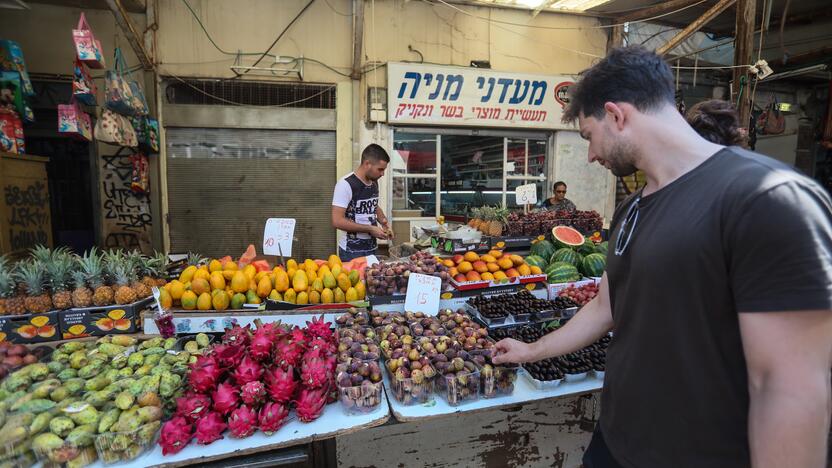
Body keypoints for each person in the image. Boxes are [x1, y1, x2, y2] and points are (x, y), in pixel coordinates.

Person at [493, 46, 832, 468]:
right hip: (616, 443)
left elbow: (792, 388)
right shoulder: (632, 207)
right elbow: (606, 307)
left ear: (616, 116)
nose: (591, 155)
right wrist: (531, 350)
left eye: (588, 137)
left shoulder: (768, 198)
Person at [331, 144, 393, 261]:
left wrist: (384, 222)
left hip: (372, 248)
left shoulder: (374, 181)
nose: (382, 174)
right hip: (351, 251)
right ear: (367, 164)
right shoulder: (345, 184)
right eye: (380, 169)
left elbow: (374, 205)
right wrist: (370, 229)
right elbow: (337, 221)